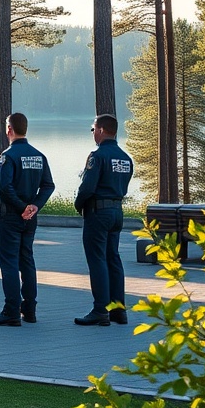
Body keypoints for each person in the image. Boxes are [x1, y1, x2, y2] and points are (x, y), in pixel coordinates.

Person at [0, 112, 56, 327]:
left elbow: (5, 188)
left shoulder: (8, 156)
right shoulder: (38, 156)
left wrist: (21, 208)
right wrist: (34, 206)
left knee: (9, 263)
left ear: (9, 129)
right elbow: (48, 185)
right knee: (27, 260)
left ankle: (11, 311)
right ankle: (30, 309)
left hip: (10, 217)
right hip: (30, 219)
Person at [73, 114, 134, 327]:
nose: (93, 133)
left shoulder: (97, 156)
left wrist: (79, 204)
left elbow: (88, 187)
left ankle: (100, 310)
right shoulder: (125, 158)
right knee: (113, 259)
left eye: (93, 129)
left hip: (98, 212)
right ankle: (118, 310)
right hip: (117, 211)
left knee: (97, 259)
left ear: (100, 130)